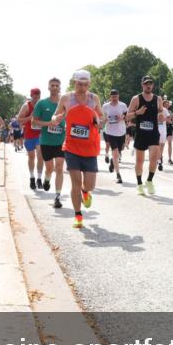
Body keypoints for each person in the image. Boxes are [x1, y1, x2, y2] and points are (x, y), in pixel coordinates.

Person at [50, 70, 104, 229]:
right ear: (75, 83)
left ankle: (85, 192)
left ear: (89, 84)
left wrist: (99, 121)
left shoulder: (94, 99)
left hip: (90, 146)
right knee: (75, 182)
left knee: (90, 185)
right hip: (72, 146)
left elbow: (101, 116)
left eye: (85, 84)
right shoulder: (66, 98)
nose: (82, 87)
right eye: (80, 84)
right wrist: (56, 119)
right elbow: (54, 116)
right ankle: (78, 215)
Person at [33, 78, 66, 208]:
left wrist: (67, 126)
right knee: (50, 168)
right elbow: (33, 122)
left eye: (57, 85)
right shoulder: (42, 103)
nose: (54, 87)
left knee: (59, 167)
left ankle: (57, 197)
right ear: (48, 87)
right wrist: (49, 123)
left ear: (59, 88)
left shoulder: (65, 104)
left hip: (61, 141)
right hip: (46, 141)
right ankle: (46, 179)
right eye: (52, 85)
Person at [127, 76, 162, 196]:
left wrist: (161, 115)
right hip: (141, 133)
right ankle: (139, 184)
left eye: (150, 84)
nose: (148, 86)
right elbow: (127, 117)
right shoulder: (136, 99)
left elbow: (161, 111)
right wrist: (137, 113)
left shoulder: (158, 99)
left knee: (154, 158)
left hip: (153, 133)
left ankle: (149, 181)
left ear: (153, 85)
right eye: (146, 84)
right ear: (142, 85)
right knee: (140, 161)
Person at [16, 88, 45, 190]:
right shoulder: (26, 106)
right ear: (31, 95)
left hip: (40, 134)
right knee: (31, 157)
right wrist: (30, 117)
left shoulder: (43, 105)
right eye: (34, 95)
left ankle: (39, 179)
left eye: (38, 95)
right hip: (29, 134)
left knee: (40, 155)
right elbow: (19, 120)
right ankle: (32, 177)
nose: (36, 97)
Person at [102, 88, 128, 182]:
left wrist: (122, 117)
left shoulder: (123, 105)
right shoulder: (105, 106)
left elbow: (127, 115)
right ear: (110, 97)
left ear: (118, 96)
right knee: (116, 153)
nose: (114, 98)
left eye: (116, 96)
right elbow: (103, 117)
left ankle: (113, 161)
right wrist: (104, 121)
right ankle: (118, 175)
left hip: (121, 132)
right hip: (110, 132)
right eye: (113, 96)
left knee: (120, 151)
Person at [157, 97, 171, 171]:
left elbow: (169, 119)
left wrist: (164, 119)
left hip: (163, 129)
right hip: (156, 129)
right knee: (158, 145)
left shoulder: (165, 110)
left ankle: (159, 158)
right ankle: (159, 161)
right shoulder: (154, 109)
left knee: (162, 145)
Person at [164, 99, 173, 166]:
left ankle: (169, 158)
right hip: (162, 127)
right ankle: (159, 158)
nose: (167, 105)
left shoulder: (170, 111)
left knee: (170, 143)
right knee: (161, 144)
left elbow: (171, 121)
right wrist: (168, 120)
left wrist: (171, 119)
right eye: (166, 104)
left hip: (169, 128)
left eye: (168, 104)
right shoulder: (161, 111)